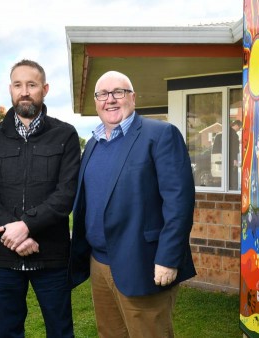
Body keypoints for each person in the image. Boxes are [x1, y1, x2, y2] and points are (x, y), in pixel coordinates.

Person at [69, 71, 196, 337]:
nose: (110, 100)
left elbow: (179, 203)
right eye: (103, 94)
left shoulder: (160, 135)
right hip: (100, 263)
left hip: (145, 263)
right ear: (96, 102)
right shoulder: (93, 143)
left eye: (119, 92)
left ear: (133, 98)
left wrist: (168, 258)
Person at [0, 59, 80, 338]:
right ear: (10, 89)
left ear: (44, 89)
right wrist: (15, 233)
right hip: (4, 255)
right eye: (18, 85)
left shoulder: (65, 135)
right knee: (8, 331)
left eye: (31, 85)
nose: (25, 91)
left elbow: (66, 194)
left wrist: (27, 226)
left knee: (60, 331)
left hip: (52, 256)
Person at [228, 119, 242, 190]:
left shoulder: (228, 132)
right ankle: (234, 188)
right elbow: (233, 148)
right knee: (233, 173)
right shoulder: (233, 134)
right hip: (232, 158)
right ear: (236, 125)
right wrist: (234, 159)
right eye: (239, 128)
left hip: (229, 157)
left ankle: (232, 187)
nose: (239, 130)